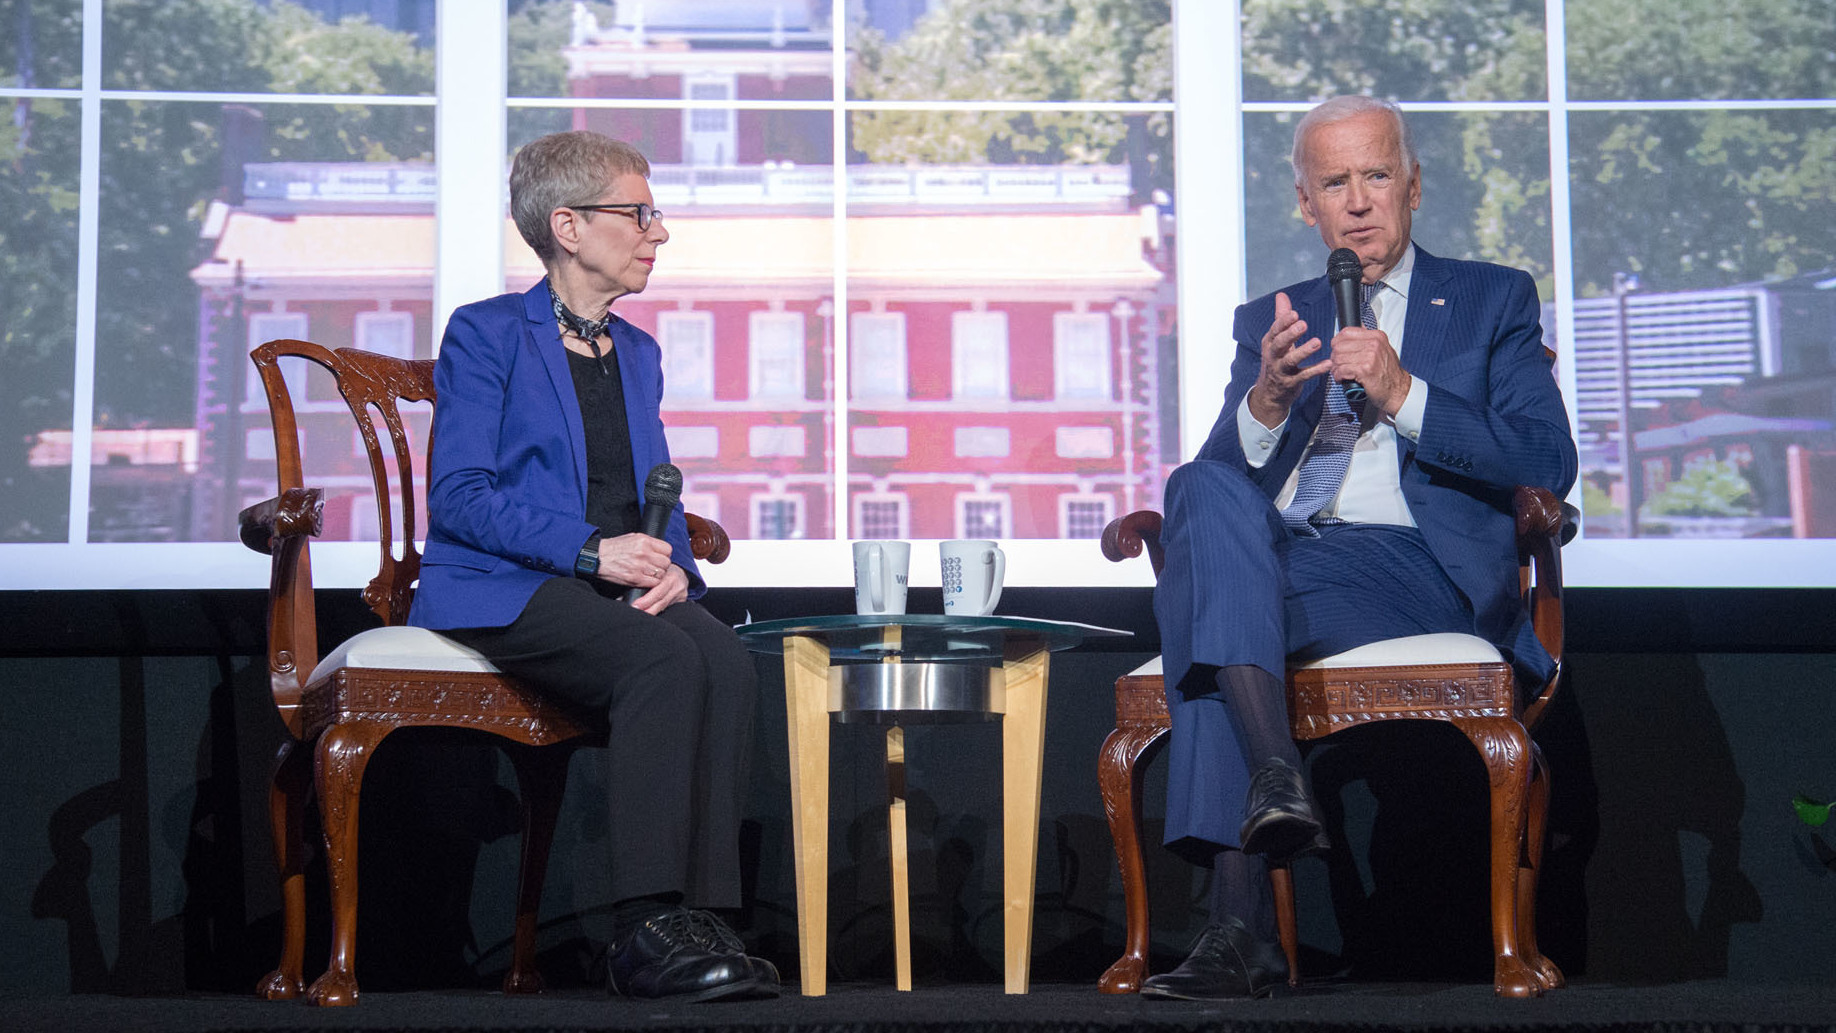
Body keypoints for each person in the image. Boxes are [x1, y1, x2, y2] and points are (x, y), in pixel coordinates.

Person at [1141, 96, 1578, 1000]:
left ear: (1412, 186)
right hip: (1287, 560)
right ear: (1307, 205)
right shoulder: (1270, 317)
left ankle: (1239, 917)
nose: (1359, 201)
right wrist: (1260, 406)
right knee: (1197, 484)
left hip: (1416, 569)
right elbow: (1216, 500)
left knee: (1209, 620)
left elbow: (1546, 459)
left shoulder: (1493, 297)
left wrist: (1406, 389)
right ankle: (1273, 779)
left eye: (1376, 175)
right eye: (1334, 183)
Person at [407, 131, 777, 1002]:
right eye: (639, 213)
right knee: (659, 659)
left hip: (606, 582)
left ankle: (703, 915)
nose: (659, 232)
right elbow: (458, 495)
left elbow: (654, 488)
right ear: (567, 225)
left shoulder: (637, 352)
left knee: (721, 656)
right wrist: (588, 550)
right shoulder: (487, 333)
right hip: (506, 582)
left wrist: (676, 567)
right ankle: (642, 926)